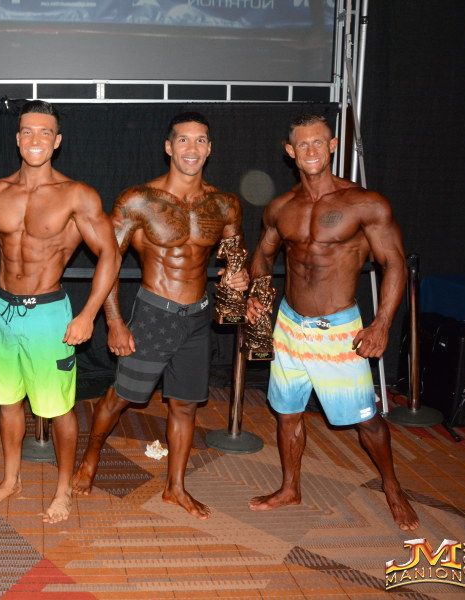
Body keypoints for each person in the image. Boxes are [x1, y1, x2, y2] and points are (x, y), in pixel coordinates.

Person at [71, 111, 249, 519]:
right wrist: (114, 322)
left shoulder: (225, 204)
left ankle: (175, 487)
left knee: (185, 406)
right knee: (120, 397)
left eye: (200, 140)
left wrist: (238, 279)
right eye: (183, 140)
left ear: (210, 148)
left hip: (197, 318)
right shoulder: (138, 200)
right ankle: (90, 456)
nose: (192, 148)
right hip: (154, 314)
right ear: (169, 147)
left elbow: (235, 259)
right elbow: (110, 262)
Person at [0, 100, 120, 523]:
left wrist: (89, 314)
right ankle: (11, 479)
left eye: (45, 132)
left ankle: (62, 490)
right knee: (8, 403)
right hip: (2, 312)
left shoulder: (77, 196)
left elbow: (110, 254)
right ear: (17, 138)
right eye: (28, 131)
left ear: (57, 141)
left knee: (58, 408)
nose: (35, 139)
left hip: (48, 314)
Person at [245, 114, 419, 531]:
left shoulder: (364, 203)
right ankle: (290, 488)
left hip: (338, 330)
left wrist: (381, 324)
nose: (310, 150)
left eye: (318, 142)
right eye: (302, 144)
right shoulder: (281, 207)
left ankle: (393, 487)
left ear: (333, 145)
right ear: (290, 152)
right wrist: (257, 295)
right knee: (287, 412)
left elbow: (394, 263)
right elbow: (263, 256)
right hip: (289, 326)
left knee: (366, 419)